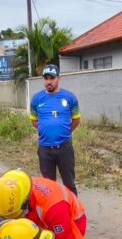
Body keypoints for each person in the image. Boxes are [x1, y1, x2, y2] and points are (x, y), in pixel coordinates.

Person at [0, 169, 88, 239]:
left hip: (72, 223)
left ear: (25, 204)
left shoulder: (54, 207)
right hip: (37, 216)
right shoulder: (14, 193)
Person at [29, 64, 81, 195]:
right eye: (46, 78)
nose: (49, 82)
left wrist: (64, 132)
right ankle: (51, 213)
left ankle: (74, 213)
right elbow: (34, 121)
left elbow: (76, 120)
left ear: (59, 78)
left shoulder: (70, 98)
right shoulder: (36, 99)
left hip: (65, 148)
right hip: (45, 150)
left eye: (52, 78)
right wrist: (45, 129)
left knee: (69, 184)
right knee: (48, 186)